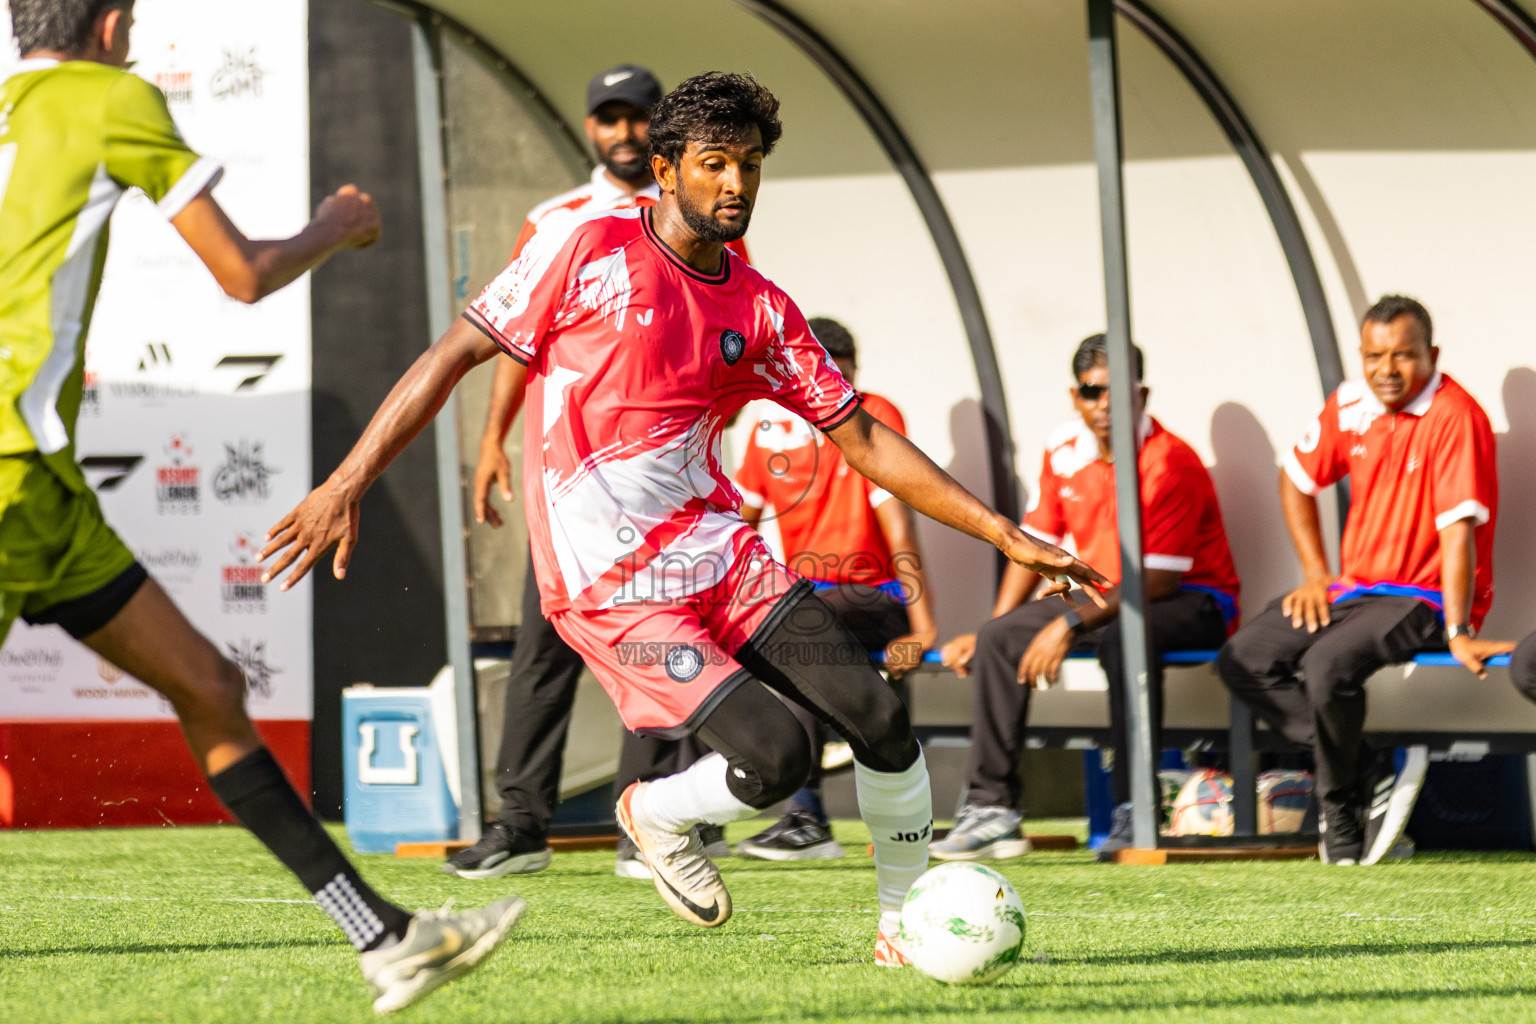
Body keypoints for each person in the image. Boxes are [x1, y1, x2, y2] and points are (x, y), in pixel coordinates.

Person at [262, 72, 1107, 963]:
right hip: (612, 586)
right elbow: (455, 353)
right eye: (714, 164)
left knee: (880, 718)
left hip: (720, 557)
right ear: (665, 170)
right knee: (779, 754)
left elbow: (860, 436)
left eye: (748, 166)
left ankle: (902, 928)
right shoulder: (583, 249)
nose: (735, 185)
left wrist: (1006, 534)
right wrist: (345, 481)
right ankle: (653, 812)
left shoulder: (763, 308)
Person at [0, 1, 521, 1014]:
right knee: (210, 688)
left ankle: (386, 939)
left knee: (208, 684)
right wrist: (339, 224)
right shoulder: (112, 97)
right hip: (13, 475)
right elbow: (241, 274)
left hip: (44, 492)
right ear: (111, 23)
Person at [446, 63, 723, 882]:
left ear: (662, 129)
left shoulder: (696, 217)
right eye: (609, 117)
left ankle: (649, 825)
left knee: (658, 644)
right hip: (567, 488)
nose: (624, 132)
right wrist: (493, 438)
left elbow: (722, 335)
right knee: (544, 651)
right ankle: (520, 826)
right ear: (591, 127)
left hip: (663, 486)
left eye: (638, 117)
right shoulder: (554, 219)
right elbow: (509, 332)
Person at [1218, 295, 1512, 867]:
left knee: (1327, 664)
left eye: (1403, 356)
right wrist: (1314, 575)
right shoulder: (1349, 402)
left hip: (1425, 597)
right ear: (1361, 354)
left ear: (1432, 354)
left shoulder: (1456, 415)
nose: (1387, 370)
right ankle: (1366, 763)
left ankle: (1339, 813)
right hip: (1354, 590)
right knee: (1243, 657)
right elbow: (1296, 480)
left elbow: (1458, 537)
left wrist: (1457, 628)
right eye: (1375, 356)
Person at [930, 334, 1240, 862]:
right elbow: (1029, 548)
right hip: (1106, 596)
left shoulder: (1171, 461)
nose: (1105, 405)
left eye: (1118, 392)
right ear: (1075, 396)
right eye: (1092, 392)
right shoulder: (1063, 448)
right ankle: (992, 811)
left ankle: (1132, 809)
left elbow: (1156, 583)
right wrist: (992, 631)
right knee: (1000, 638)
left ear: (1142, 395)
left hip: (1193, 599)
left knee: (1124, 638)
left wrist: (1066, 626)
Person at [730, 316, 937, 860]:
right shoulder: (767, 427)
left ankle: (805, 819)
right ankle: (704, 816)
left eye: (842, 378)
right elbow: (737, 524)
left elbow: (900, 524)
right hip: (807, 595)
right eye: (822, 376)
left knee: (796, 628)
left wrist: (924, 626)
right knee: (706, 638)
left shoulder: (874, 413)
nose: (831, 391)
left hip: (878, 595)